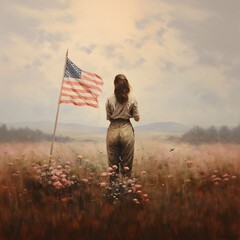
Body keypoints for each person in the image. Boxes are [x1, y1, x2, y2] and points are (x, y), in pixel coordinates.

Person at [106, 74, 140, 181]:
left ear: (114, 84)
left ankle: (113, 188)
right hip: (126, 130)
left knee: (112, 164)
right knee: (127, 164)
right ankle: (126, 187)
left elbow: (109, 117)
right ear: (126, 84)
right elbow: (137, 118)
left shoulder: (109, 99)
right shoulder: (133, 98)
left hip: (113, 130)